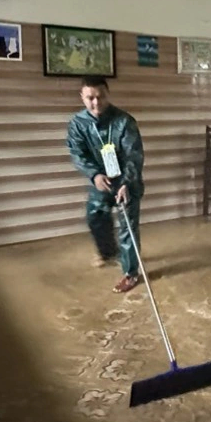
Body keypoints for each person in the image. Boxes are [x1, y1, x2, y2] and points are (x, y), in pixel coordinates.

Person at [66, 76, 146, 293]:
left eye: (100, 97)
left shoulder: (124, 121)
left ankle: (131, 273)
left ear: (107, 95)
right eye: (90, 98)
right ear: (82, 97)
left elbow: (134, 155)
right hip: (101, 180)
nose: (95, 102)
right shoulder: (77, 124)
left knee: (127, 227)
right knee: (95, 216)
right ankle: (109, 252)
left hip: (126, 181)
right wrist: (94, 175)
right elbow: (77, 153)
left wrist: (127, 182)